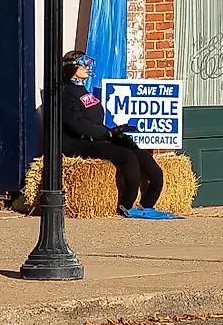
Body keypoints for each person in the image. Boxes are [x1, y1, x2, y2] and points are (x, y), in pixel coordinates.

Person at [59, 50, 169, 216]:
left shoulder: (83, 91)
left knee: (140, 154)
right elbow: (77, 124)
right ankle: (126, 206)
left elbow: (94, 120)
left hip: (97, 138)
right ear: (70, 67)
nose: (88, 68)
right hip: (78, 144)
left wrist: (115, 133)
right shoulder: (66, 92)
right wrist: (106, 134)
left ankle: (147, 204)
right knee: (127, 157)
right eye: (83, 64)